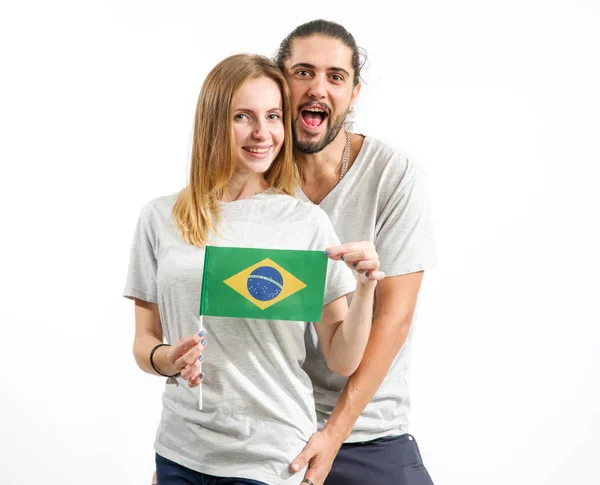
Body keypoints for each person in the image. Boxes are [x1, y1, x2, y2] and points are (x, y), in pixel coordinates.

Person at [125, 53, 385, 485]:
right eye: (242, 117)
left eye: (273, 116)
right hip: (179, 451)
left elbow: (341, 358)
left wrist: (366, 286)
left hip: (269, 456)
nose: (262, 133)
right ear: (213, 122)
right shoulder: (160, 217)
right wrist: (168, 359)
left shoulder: (306, 223)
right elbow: (143, 343)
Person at [274, 20, 437, 485]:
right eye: (302, 72)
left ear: (354, 92)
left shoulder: (395, 174)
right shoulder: (252, 177)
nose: (318, 88)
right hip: (269, 427)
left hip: (368, 430)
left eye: (335, 76)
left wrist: (334, 432)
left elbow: (394, 319)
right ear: (279, 82)